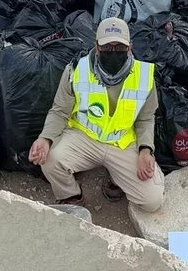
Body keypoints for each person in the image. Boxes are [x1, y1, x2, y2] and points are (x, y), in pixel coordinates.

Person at [29, 17, 163, 216]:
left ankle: (115, 176)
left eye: (120, 47)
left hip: (122, 143)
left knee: (152, 201)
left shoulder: (144, 77)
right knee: (49, 158)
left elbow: (146, 118)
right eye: (108, 47)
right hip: (84, 138)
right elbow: (59, 111)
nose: (113, 52)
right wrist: (45, 138)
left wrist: (145, 150)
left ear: (130, 47)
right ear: (97, 47)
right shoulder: (76, 71)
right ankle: (71, 196)